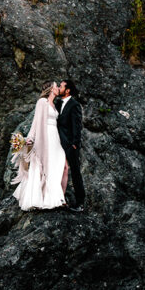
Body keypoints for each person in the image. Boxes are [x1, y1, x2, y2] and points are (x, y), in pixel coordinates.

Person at [12, 81, 68, 210]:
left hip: (56, 138)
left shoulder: (54, 105)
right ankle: (45, 198)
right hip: (46, 138)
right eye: (56, 86)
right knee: (47, 166)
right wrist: (30, 138)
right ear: (51, 89)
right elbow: (36, 122)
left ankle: (56, 197)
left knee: (60, 165)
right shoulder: (42, 102)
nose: (58, 88)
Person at [56, 79, 85, 212]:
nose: (58, 88)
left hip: (70, 145)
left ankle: (80, 203)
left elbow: (77, 126)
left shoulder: (74, 105)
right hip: (57, 143)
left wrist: (75, 144)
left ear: (67, 90)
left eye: (61, 86)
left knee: (75, 172)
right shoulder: (57, 103)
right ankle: (59, 198)